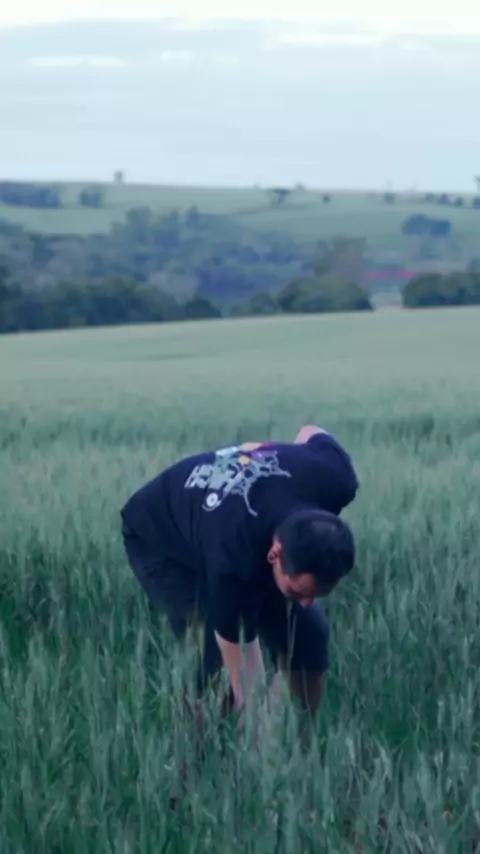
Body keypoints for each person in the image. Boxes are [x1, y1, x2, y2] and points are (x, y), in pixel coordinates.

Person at [120, 425, 359, 735]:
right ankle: (193, 751)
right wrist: (256, 731)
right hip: (161, 541)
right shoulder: (232, 560)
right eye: (299, 591)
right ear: (274, 554)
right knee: (213, 661)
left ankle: (303, 742)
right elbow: (246, 676)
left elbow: (308, 431)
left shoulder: (336, 477)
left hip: (229, 529)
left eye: (316, 593)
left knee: (310, 634)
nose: (306, 602)